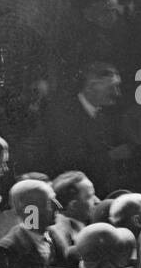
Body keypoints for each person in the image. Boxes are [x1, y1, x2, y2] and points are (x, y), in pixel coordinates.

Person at [39, 62, 134, 195]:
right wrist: (110, 156)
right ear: (91, 86)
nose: (117, 93)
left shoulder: (104, 116)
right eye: (112, 88)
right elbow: (67, 160)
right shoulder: (64, 116)